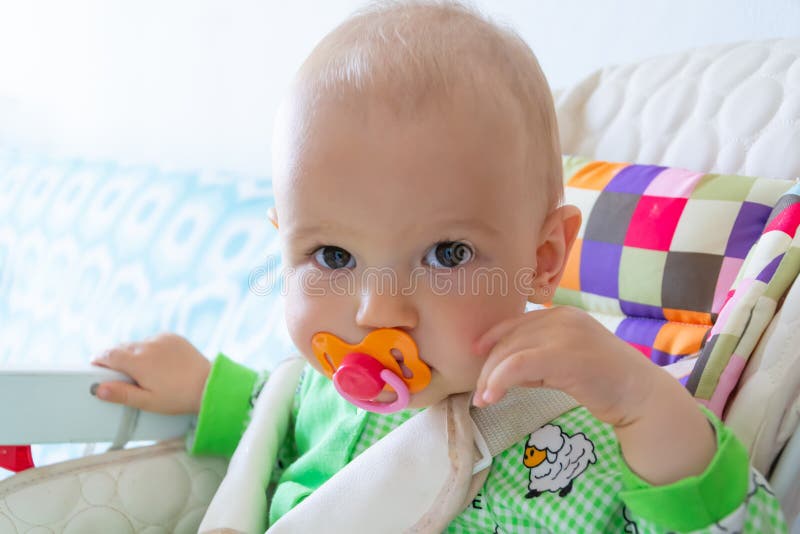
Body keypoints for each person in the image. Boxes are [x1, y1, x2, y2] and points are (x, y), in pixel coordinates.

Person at [91, 1, 786, 531]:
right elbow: (276, 422)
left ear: (541, 260)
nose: (375, 313)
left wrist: (644, 408)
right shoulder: (325, 390)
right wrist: (209, 387)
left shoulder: (578, 430)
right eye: (332, 256)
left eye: (446, 255)